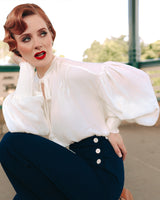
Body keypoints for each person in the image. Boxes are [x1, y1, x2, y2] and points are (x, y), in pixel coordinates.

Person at [0, 3, 159, 200]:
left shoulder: (73, 71)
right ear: (15, 47)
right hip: (72, 166)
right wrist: (25, 66)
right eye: (26, 38)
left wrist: (112, 127)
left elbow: (133, 80)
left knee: (10, 145)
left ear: (51, 34)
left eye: (42, 33)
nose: (38, 44)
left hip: (99, 168)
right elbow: (26, 129)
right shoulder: (31, 84)